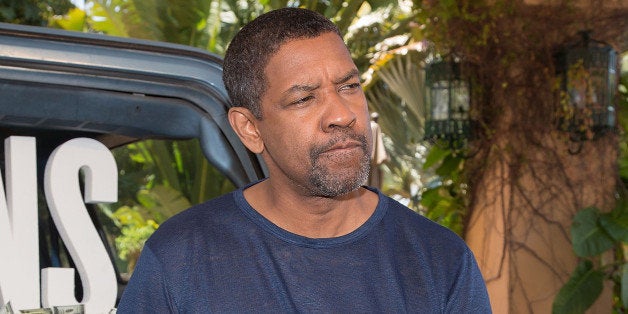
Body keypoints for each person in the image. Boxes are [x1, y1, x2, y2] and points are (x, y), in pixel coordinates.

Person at [117, 7, 491, 313]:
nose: (342, 115)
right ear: (249, 128)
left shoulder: (439, 262)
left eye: (348, 86)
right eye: (303, 99)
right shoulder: (181, 258)